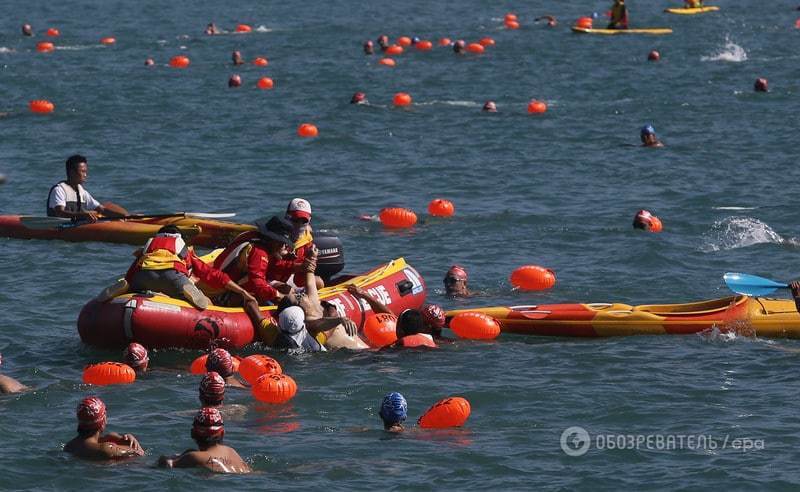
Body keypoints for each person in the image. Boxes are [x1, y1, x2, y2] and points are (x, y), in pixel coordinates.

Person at [116, 225, 258, 310]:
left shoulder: (149, 248)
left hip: (143, 277)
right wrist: (242, 292)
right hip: (172, 276)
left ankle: (124, 289)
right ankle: (187, 291)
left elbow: (132, 271)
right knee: (206, 302)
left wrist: (128, 283)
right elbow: (211, 274)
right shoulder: (184, 250)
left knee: (134, 284)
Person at [212, 216, 298, 306]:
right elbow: (257, 284)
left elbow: (268, 266)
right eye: (281, 243)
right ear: (273, 239)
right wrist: (279, 296)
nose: (283, 246)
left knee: (287, 290)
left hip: (223, 281)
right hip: (220, 293)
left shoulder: (251, 236)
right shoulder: (259, 251)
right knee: (284, 297)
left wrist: (294, 266)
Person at [158, 407, 251, 474]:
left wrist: (163, 459)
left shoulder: (193, 457)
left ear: (193, 433)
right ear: (222, 433)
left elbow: (167, 465)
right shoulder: (231, 452)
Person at [347, 285, 437, 348]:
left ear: (400, 329)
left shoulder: (398, 346)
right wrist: (365, 295)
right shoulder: (430, 341)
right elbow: (389, 315)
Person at [47, 154, 129, 222]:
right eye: (82, 171)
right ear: (72, 172)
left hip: (76, 226)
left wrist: (124, 216)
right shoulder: (59, 190)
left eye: (86, 171)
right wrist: (84, 215)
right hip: (58, 228)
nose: (85, 175)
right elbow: (60, 213)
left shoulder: (82, 192)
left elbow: (101, 210)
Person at [65, 396, 145, 460]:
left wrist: (107, 438)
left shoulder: (68, 447)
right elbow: (139, 453)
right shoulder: (107, 449)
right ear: (102, 421)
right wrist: (130, 440)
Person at [268, 198, 323, 290]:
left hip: (286, 278)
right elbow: (269, 265)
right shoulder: (275, 235)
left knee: (319, 282)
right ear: (287, 217)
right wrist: (297, 266)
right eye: (296, 220)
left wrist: (310, 261)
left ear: (309, 220)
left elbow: (299, 281)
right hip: (265, 278)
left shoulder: (306, 242)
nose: (299, 224)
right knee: (285, 289)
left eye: (303, 221)